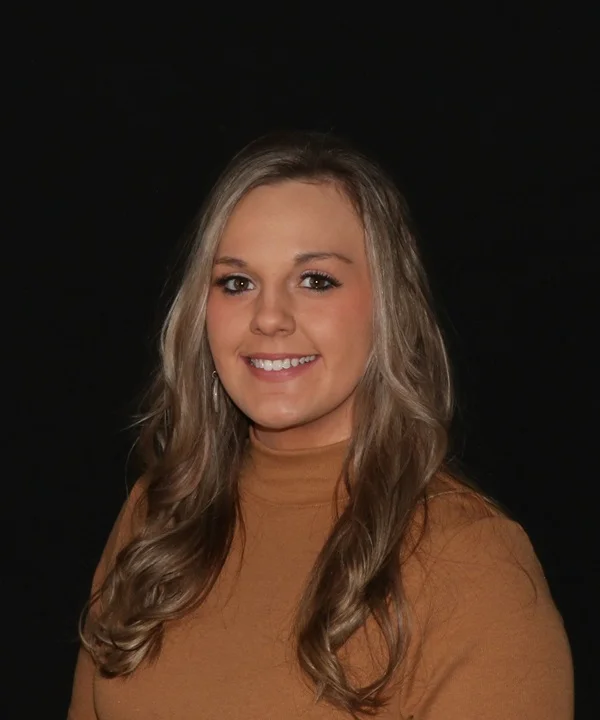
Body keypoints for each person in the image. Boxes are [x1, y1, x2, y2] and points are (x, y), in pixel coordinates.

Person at [68, 131, 573, 719]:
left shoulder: (470, 558)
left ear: (388, 305)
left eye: (315, 281)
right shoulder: (159, 516)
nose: (270, 317)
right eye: (237, 282)